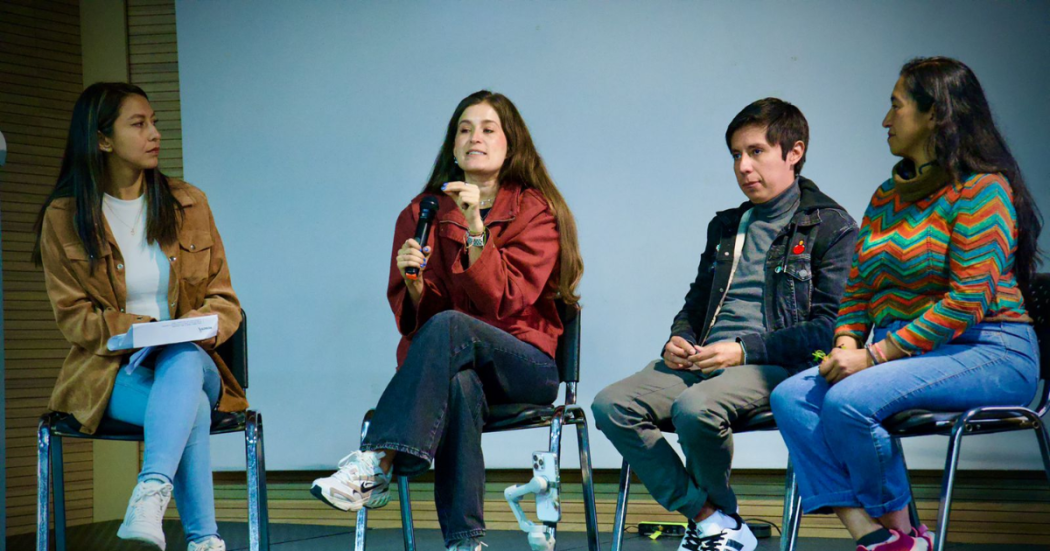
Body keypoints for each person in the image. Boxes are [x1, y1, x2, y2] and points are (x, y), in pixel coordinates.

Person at [770, 57, 1043, 551]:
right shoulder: (885, 198)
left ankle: (900, 536)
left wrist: (872, 356)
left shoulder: (983, 191)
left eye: (896, 106)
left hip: (993, 350)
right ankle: (881, 538)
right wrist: (847, 341)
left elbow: (966, 302)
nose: (885, 120)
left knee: (851, 402)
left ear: (936, 114)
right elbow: (858, 292)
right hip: (912, 352)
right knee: (791, 397)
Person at [310, 90, 583, 551]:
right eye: (464, 128)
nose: (474, 136)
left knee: (455, 329)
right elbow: (426, 332)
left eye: (487, 128)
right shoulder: (423, 212)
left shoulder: (536, 211)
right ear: (453, 148)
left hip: (525, 364)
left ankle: (378, 460)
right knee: (456, 385)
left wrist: (475, 222)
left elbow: (505, 300)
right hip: (457, 364)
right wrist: (414, 285)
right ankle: (465, 542)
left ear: (511, 145)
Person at [591, 98, 858, 551]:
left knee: (696, 409)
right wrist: (680, 336)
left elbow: (829, 327)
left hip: (775, 364)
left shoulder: (829, 226)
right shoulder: (727, 226)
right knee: (610, 404)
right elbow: (696, 301)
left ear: (794, 152)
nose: (743, 166)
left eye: (756, 151)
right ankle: (714, 519)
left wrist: (743, 350)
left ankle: (720, 529)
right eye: (736, 155)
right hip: (703, 358)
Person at [33, 83, 243, 551]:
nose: (155, 134)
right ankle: (205, 540)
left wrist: (184, 331)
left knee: (183, 361)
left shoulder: (189, 202)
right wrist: (140, 332)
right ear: (103, 139)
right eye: (139, 124)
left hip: (197, 362)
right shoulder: (64, 216)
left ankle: (149, 493)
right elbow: (73, 317)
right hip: (113, 373)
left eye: (155, 122)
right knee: (185, 410)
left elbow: (225, 300)